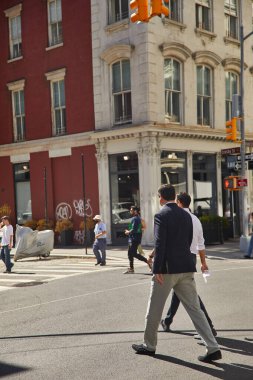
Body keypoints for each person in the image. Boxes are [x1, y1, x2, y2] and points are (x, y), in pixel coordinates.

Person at [132, 185, 221, 363]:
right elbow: (189, 241)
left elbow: (160, 243)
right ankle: (213, 347)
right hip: (186, 267)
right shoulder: (187, 215)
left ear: (161, 198)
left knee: (154, 309)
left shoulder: (161, 215)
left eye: (158, 197)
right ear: (174, 197)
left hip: (167, 270)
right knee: (195, 310)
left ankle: (149, 345)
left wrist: (156, 269)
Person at [160, 192, 217, 336]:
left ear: (178, 201)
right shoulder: (195, 219)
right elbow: (201, 244)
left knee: (190, 295)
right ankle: (167, 321)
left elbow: (165, 239)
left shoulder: (177, 217)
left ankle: (208, 326)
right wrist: (203, 263)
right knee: (180, 291)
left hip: (178, 257)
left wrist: (154, 255)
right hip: (191, 258)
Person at [124, 206, 151, 274]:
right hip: (132, 239)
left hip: (134, 239)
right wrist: (129, 231)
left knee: (133, 253)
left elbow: (134, 229)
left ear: (135, 211)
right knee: (130, 254)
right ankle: (131, 269)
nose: (130, 211)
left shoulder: (136, 219)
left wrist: (128, 232)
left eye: (131, 210)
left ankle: (148, 261)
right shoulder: (135, 218)